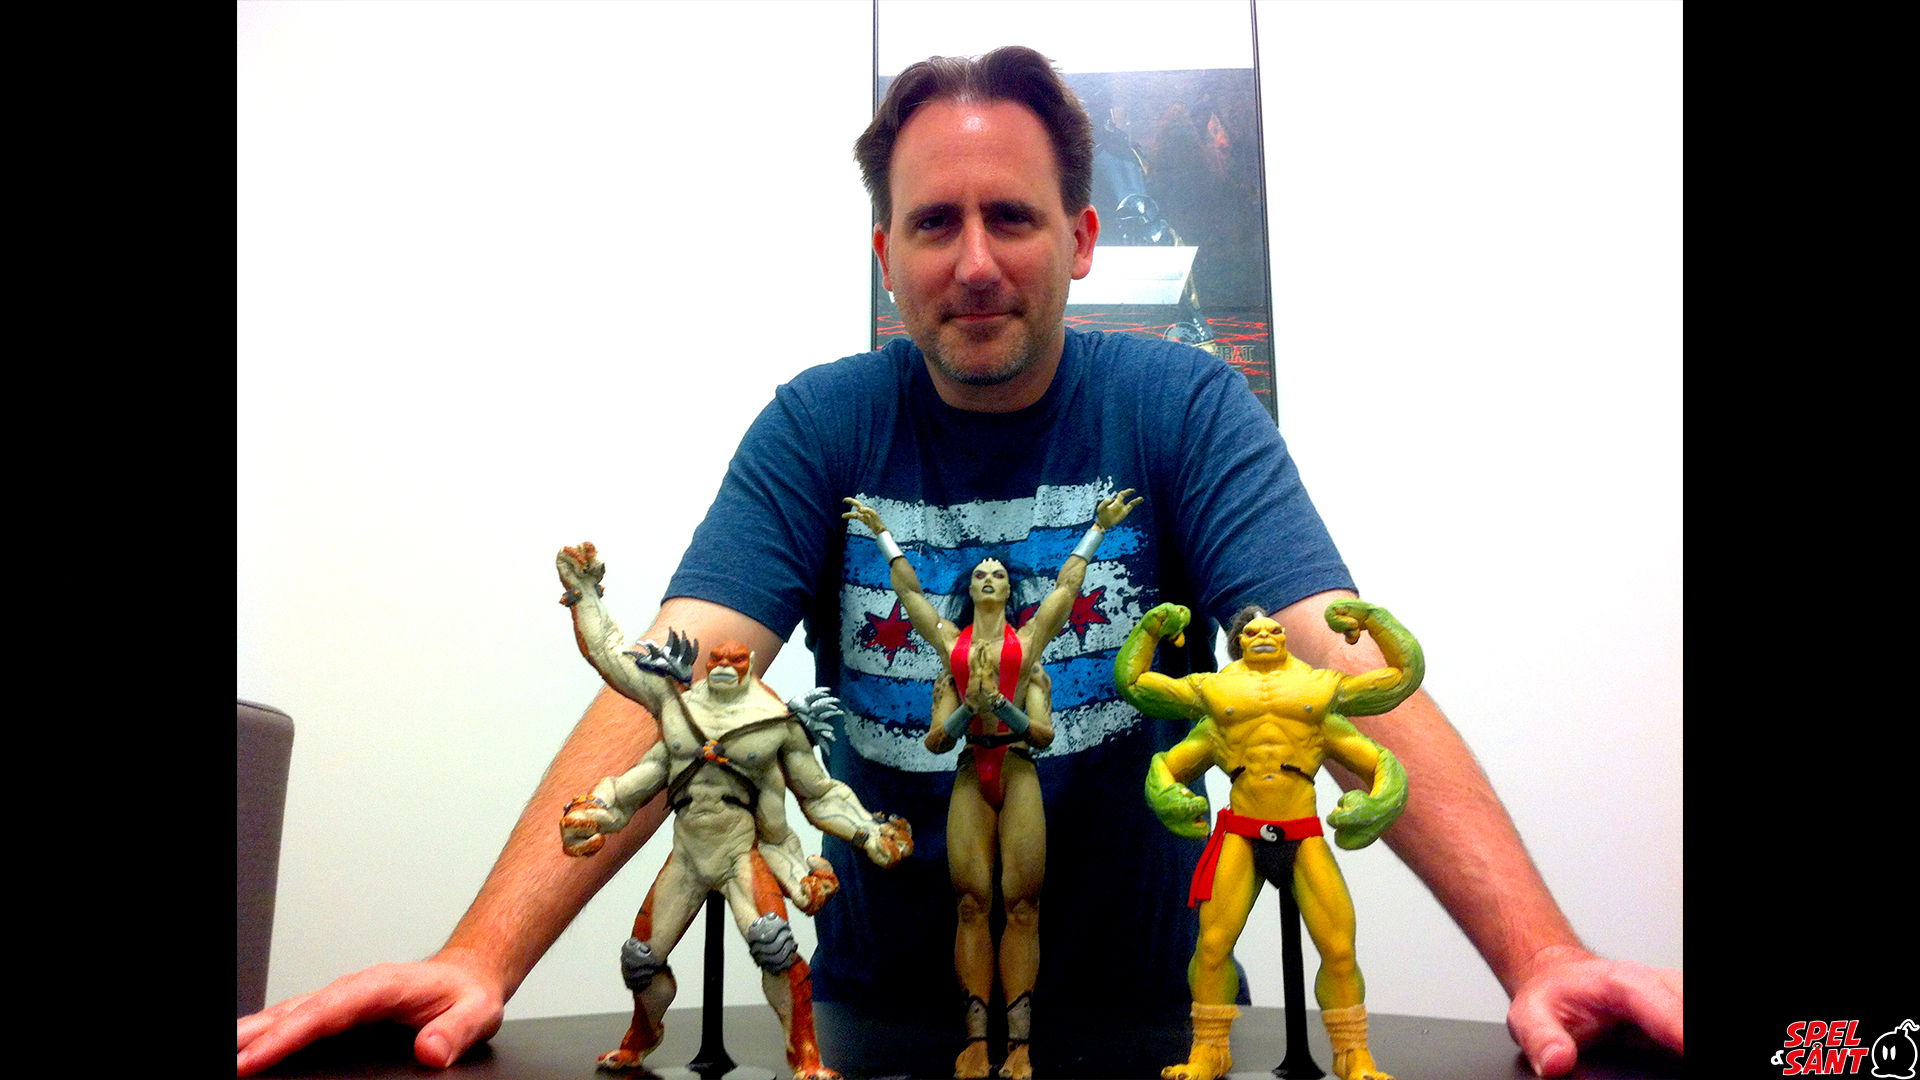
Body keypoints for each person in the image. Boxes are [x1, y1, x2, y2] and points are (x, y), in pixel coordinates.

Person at [236, 44, 1682, 1080]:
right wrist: (478, 960)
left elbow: (1334, 658)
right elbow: (680, 676)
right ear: (887, 253)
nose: (975, 260)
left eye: (1013, 218)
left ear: (1081, 239)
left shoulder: (1183, 407)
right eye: (935, 222)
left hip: (1163, 1019)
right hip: (872, 1026)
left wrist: (1540, 958)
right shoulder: (820, 425)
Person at [550, 543, 913, 1078]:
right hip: (688, 854)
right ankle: (641, 1036)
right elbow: (611, 657)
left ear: (749, 667)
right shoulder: (677, 704)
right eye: (716, 660)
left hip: (742, 854)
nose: (723, 666)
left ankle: (806, 1056)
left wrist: (867, 830)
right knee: (640, 962)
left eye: (734, 660)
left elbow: (818, 792)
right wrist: (584, 593)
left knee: (774, 948)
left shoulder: (776, 723)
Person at [841, 490, 1140, 1079]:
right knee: (971, 903)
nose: (987, 577)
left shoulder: (1027, 648)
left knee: (1023, 905)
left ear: (1007, 590)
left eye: (997, 574)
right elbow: (912, 604)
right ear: (971, 588)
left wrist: (1098, 530)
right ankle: (977, 1041)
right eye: (979, 574)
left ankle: (1021, 1045)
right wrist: (881, 535)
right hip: (968, 772)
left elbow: (1064, 599)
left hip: (1018, 767)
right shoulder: (951, 646)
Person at [1115, 600, 1423, 1080]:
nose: (1263, 634)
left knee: (1339, 950)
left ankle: (1352, 1054)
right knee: (1212, 946)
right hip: (1241, 834)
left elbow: (1398, 691)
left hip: (1302, 833)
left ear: (1284, 637)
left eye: (1273, 630)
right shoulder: (1217, 700)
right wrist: (1152, 628)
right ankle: (1209, 1050)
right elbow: (1140, 698)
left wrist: (1374, 622)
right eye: (1252, 631)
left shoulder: (1317, 693)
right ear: (1237, 641)